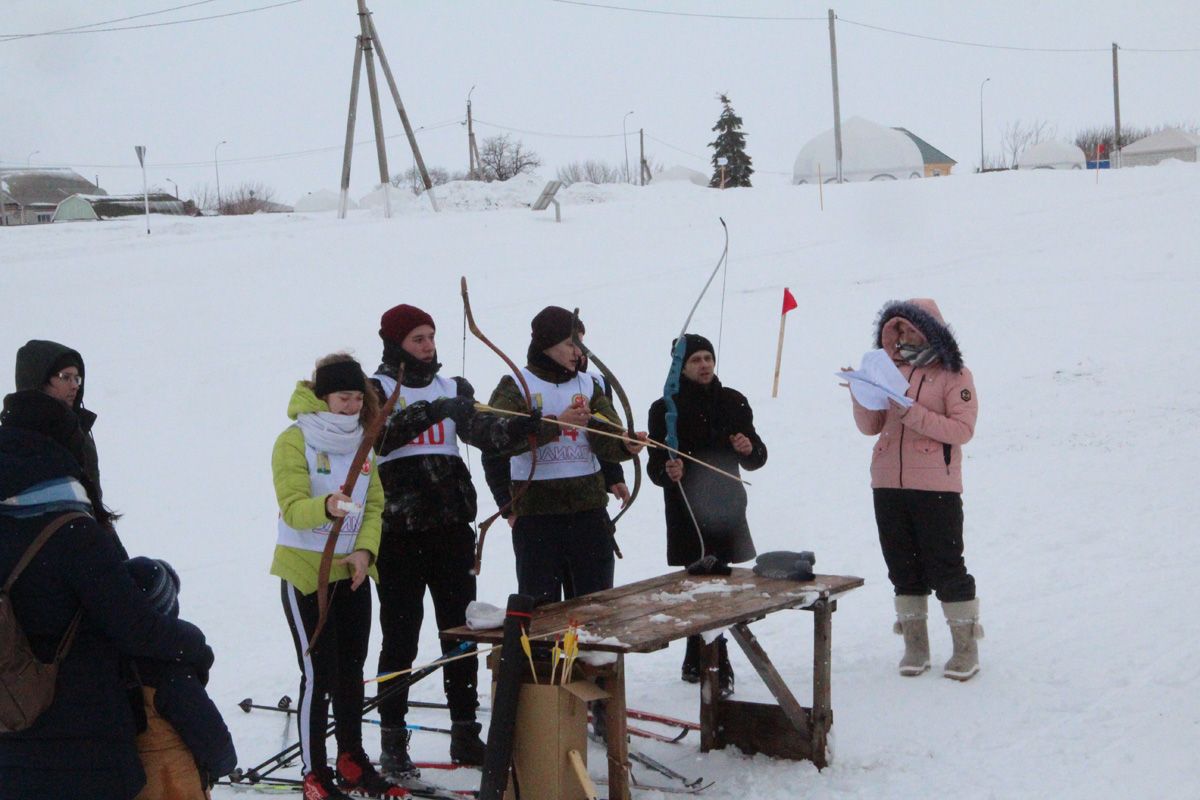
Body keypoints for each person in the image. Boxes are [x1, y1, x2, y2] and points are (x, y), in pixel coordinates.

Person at [0, 389, 215, 800]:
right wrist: (195, 644)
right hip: (82, 746)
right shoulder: (71, 531)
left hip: (9, 741)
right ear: (61, 447)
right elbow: (138, 628)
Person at [368, 304, 543, 779]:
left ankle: (465, 731)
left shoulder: (454, 388)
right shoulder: (376, 390)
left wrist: (523, 427)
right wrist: (431, 410)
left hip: (450, 530)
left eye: (430, 337)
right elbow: (378, 439)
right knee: (399, 640)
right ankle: (392, 739)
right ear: (396, 344)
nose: (428, 346)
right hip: (398, 535)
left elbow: (485, 432)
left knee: (460, 635)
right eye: (417, 339)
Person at [270, 354, 401, 800]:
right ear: (323, 396)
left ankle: (351, 757)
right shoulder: (295, 440)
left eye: (356, 398)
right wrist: (324, 507)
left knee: (351, 671)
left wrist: (365, 550)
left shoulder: (365, 442)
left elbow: (374, 504)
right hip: (307, 572)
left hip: (351, 573)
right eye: (343, 398)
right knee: (319, 673)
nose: (350, 406)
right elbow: (291, 505)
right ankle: (315, 771)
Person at [844, 299, 982, 681]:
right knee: (901, 565)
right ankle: (915, 646)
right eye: (897, 330)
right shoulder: (891, 371)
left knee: (946, 565)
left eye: (910, 329)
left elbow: (962, 430)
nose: (903, 337)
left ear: (930, 329)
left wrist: (911, 412)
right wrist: (859, 394)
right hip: (887, 482)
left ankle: (965, 648)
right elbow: (871, 426)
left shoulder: (955, 374)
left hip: (936, 484)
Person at [485, 306, 644, 606]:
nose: (578, 353)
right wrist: (557, 425)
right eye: (570, 344)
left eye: (581, 344)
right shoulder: (517, 385)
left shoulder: (590, 383)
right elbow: (498, 438)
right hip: (537, 518)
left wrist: (626, 445)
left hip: (589, 514)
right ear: (547, 345)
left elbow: (607, 435)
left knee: (595, 609)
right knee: (543, 615)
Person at [646, 333, 768, 696]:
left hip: (727, 505)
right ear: (680, 366)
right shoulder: (663, 408)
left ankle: (701, 658)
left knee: (720, 582)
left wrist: (747, 448)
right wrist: (669, 472)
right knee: (701, 582)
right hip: (687, 510)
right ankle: (714, 661)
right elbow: (655, 465)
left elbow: (758, 456)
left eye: (707, 358)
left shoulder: (733, 401)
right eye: (695, 359)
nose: (703, 365)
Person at [125, 557, 237, 800]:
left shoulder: (102, 660)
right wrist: (222, 764)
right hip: (173, 785)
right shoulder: (170, 672)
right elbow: (213, 740)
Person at [14, 339, 119, 534]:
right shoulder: (14, 438)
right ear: (39, 378)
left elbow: (92, 501)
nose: (74, 386)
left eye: (77, 378)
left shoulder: (78, 433)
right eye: (65, 377)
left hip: (85, 539)